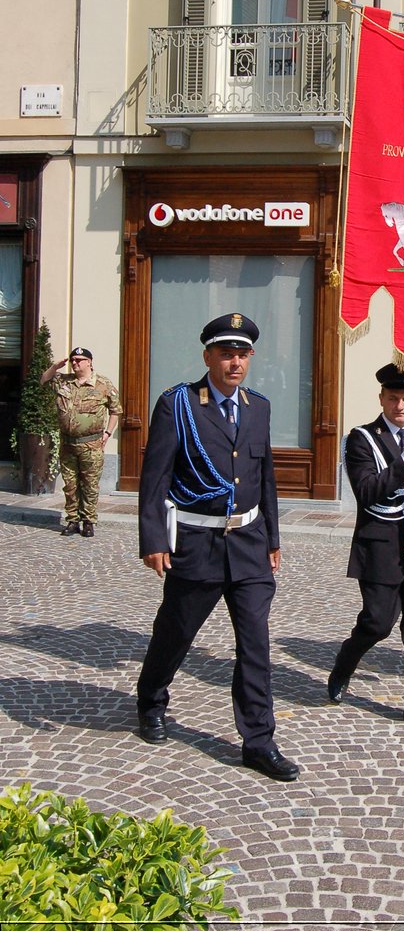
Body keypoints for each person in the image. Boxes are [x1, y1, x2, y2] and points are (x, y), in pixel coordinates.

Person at [136, 313, 299, 782]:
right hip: (197, 542)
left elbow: (264, 476)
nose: (235, 363)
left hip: (248, 544)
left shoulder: (258, 407)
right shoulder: (179, 404)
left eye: (243, 354)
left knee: (255, 645)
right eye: (226, 353)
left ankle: (259, 741)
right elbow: (156, 476)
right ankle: (151, 699)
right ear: (207, 356)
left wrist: (272, 537)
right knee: (176, 631)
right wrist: (152, 539)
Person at [328, 364, 404, 730]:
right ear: (382, 399)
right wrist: (403, 464)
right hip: (380, 547)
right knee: (378, 623)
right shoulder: (361, 439)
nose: (401, 406)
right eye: (394, 398)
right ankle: (345, 661)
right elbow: (366, 493)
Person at [41, 347, 123, 537]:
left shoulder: (102, 384)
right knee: (70, 485)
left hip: (91, 444)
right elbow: (44, 380)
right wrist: (55, 366)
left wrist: (107, 433)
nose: (75, 363)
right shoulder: (64, 381)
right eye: (73, 360)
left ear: (89, 362)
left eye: (79, 360)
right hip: (68, 443)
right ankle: (72, 520)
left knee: (90, 484)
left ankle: (88, 521)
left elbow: (116, 410)